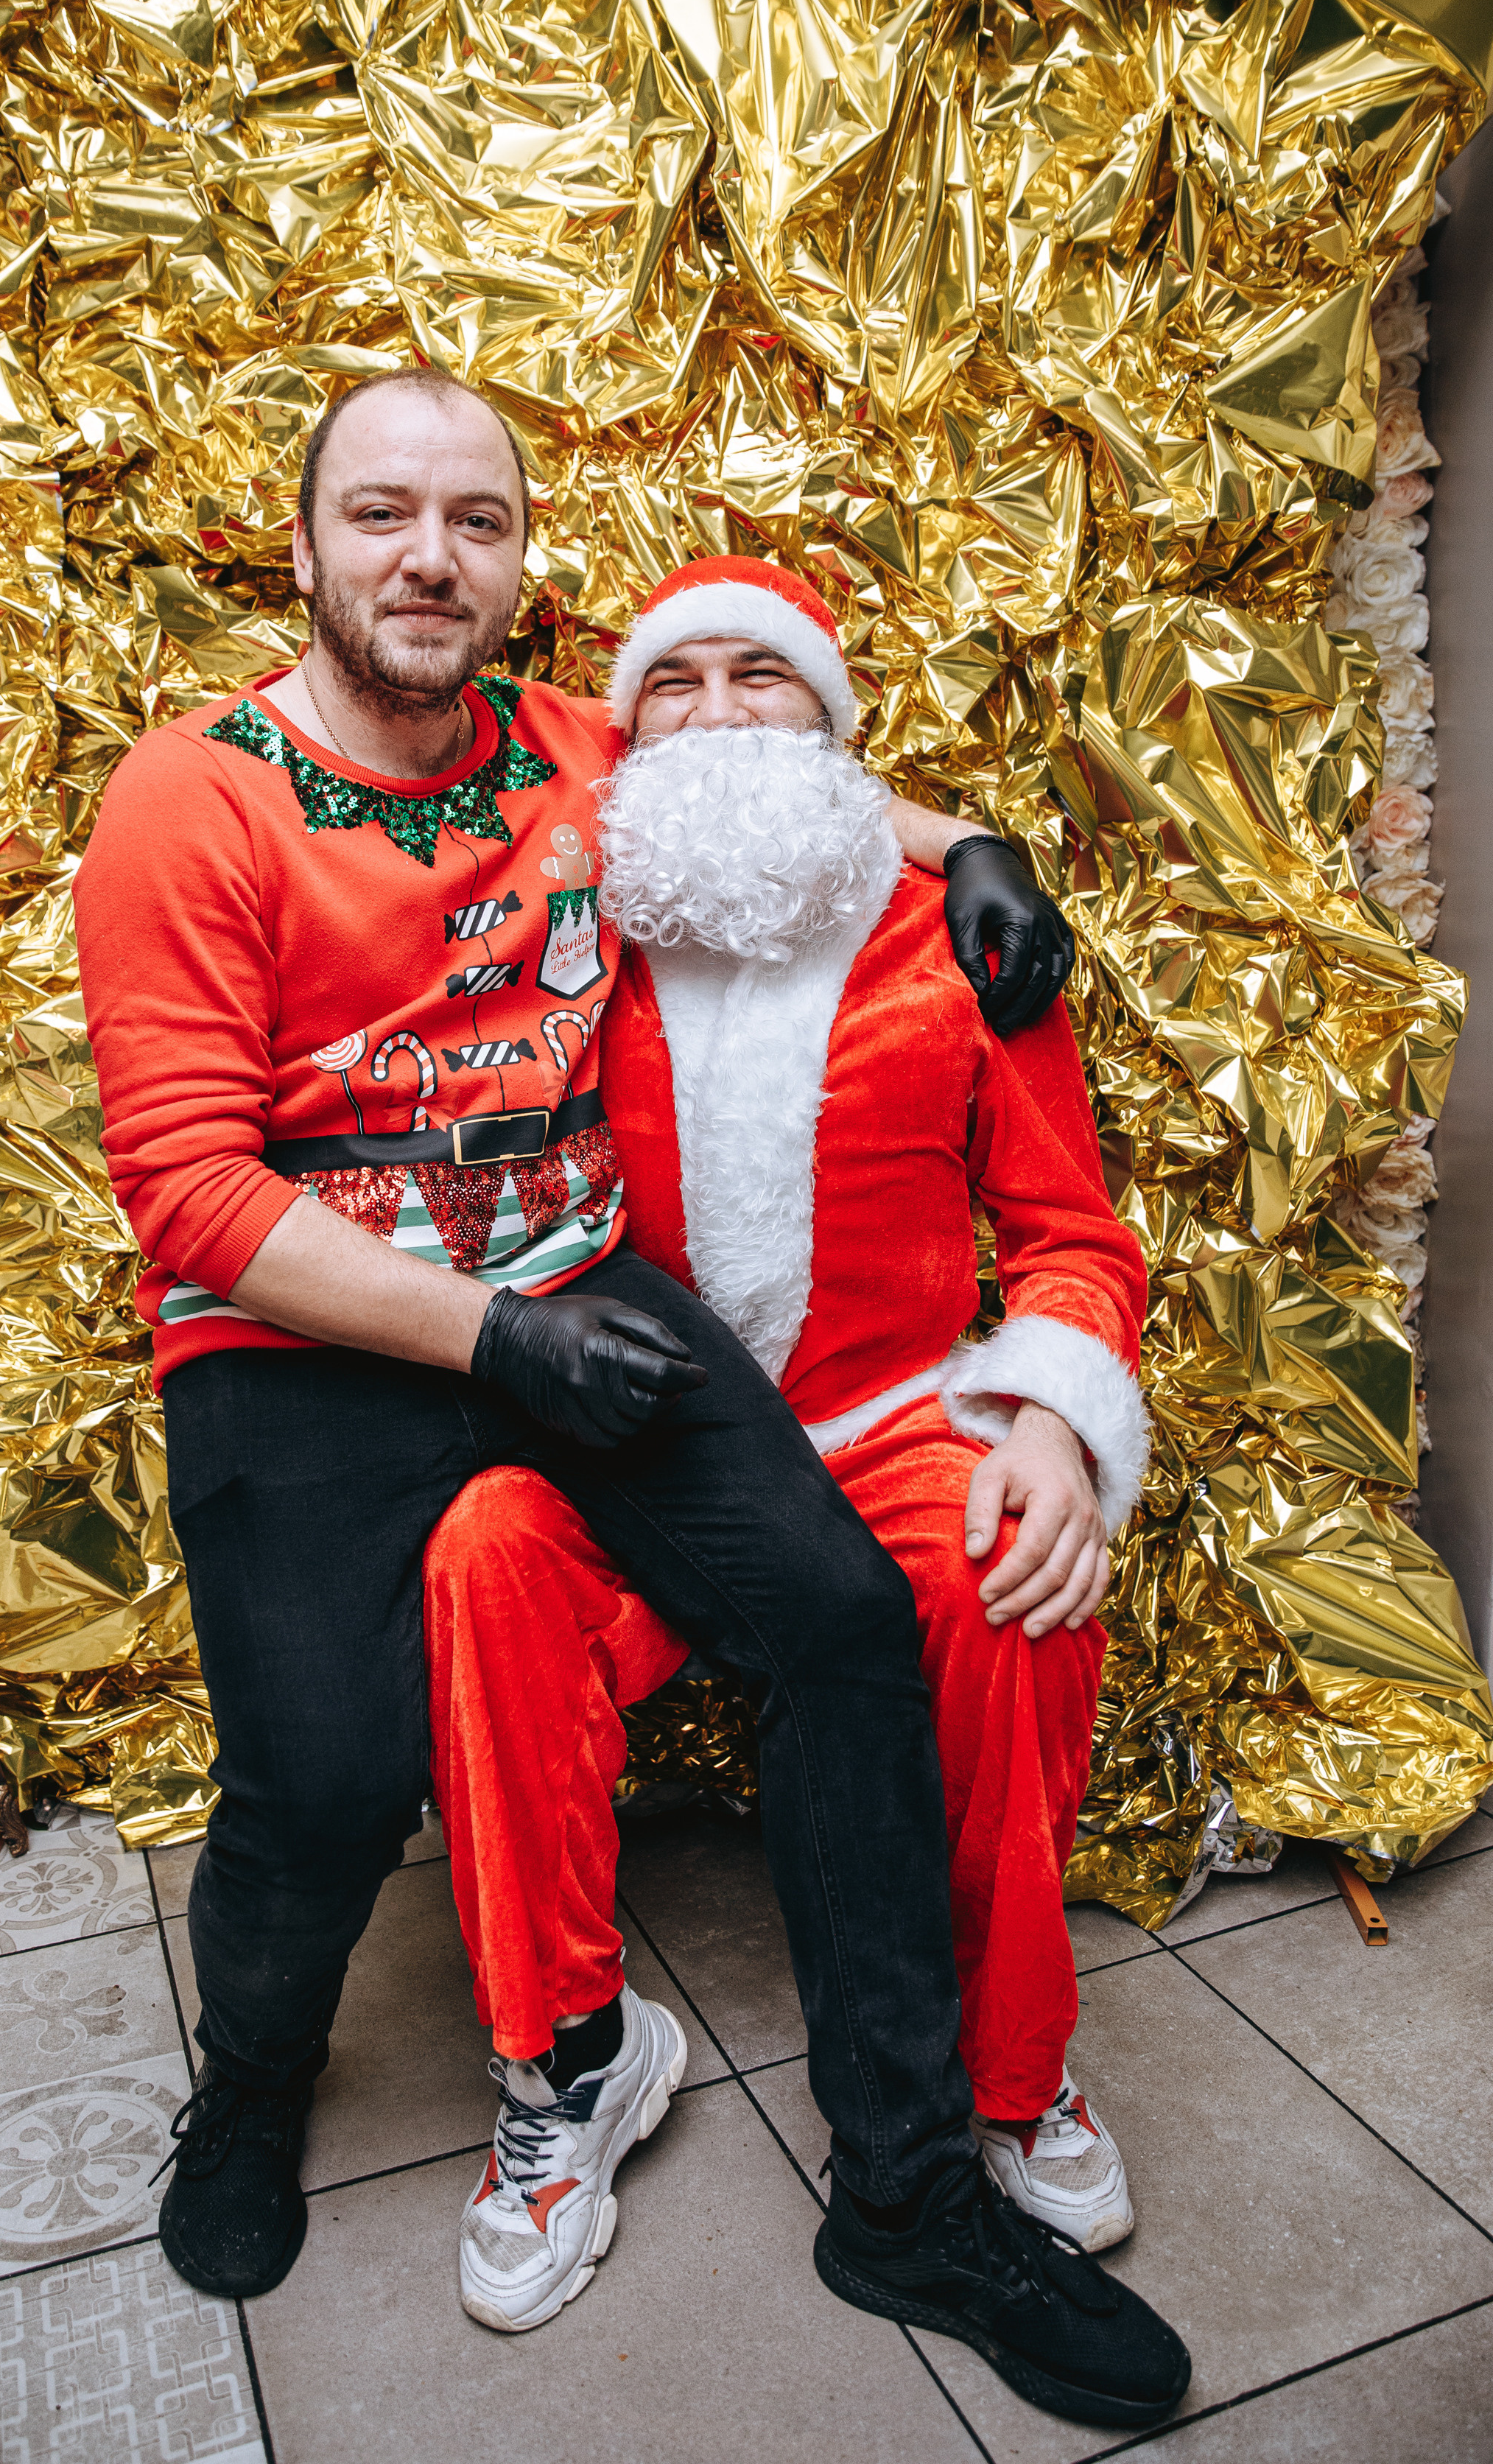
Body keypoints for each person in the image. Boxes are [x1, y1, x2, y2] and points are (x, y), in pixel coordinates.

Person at [72, 367, 1189, 2430]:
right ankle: (255, 2091)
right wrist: (500, 1341)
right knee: (322, 1791)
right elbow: (196, 1194)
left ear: (518, 567)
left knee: (856, 1626)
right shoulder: (189, 795)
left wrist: (990, 844)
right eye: (384, 515)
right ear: (302, 541)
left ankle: (917, 2189)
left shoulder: (572, 750)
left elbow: (779, 768)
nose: (430, 557)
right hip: (317, 1353)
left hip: (584, 1307)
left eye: (475, 522)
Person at [423, 555, 1156, 2351]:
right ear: (623, 730)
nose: (720, 715)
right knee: (483, 1563)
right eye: (677, 685)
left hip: (894, 1409)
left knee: (1014, 1580)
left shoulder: (964, 944)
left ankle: (1008, 2076)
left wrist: (1056, 1418)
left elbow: (1071, 1234)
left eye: (769, 679)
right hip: (648, 1438)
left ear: (833, 731)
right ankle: (567, 2066)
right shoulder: (557, 922)